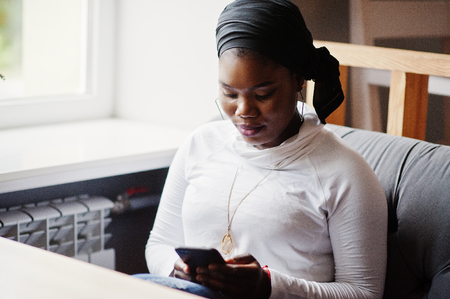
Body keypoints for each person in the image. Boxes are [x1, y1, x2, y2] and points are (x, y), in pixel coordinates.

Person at [142, 0, 387, 298]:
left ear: (298, 78)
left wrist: (269, 286)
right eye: (229, 93)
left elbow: (364, 292)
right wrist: (175, 268)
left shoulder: (345, 173)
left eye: (263, 94)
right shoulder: (199, 145)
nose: (244, 111)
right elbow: (159, 244)